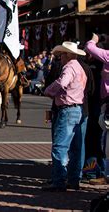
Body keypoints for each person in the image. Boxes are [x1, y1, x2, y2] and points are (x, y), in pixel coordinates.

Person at [43, 41, 88, 191]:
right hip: (78, 109)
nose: (60, 57)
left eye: (62, 54)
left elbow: (63, 82)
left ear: (67, 55)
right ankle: (74, 179)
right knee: (76, 148)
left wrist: (49, 91)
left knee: (60, 147)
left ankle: (59, 181)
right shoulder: (80, 68)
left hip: (67, 109)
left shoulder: (69, 68)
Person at [85, 33, 109, 184]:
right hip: (102, 103)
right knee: (101, 141)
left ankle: (94, 170)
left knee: (95, 139)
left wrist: (95, 39)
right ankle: (100, 170)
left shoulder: (106, 57)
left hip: (99, 104)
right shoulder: (103, 63)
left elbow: (89, 46)